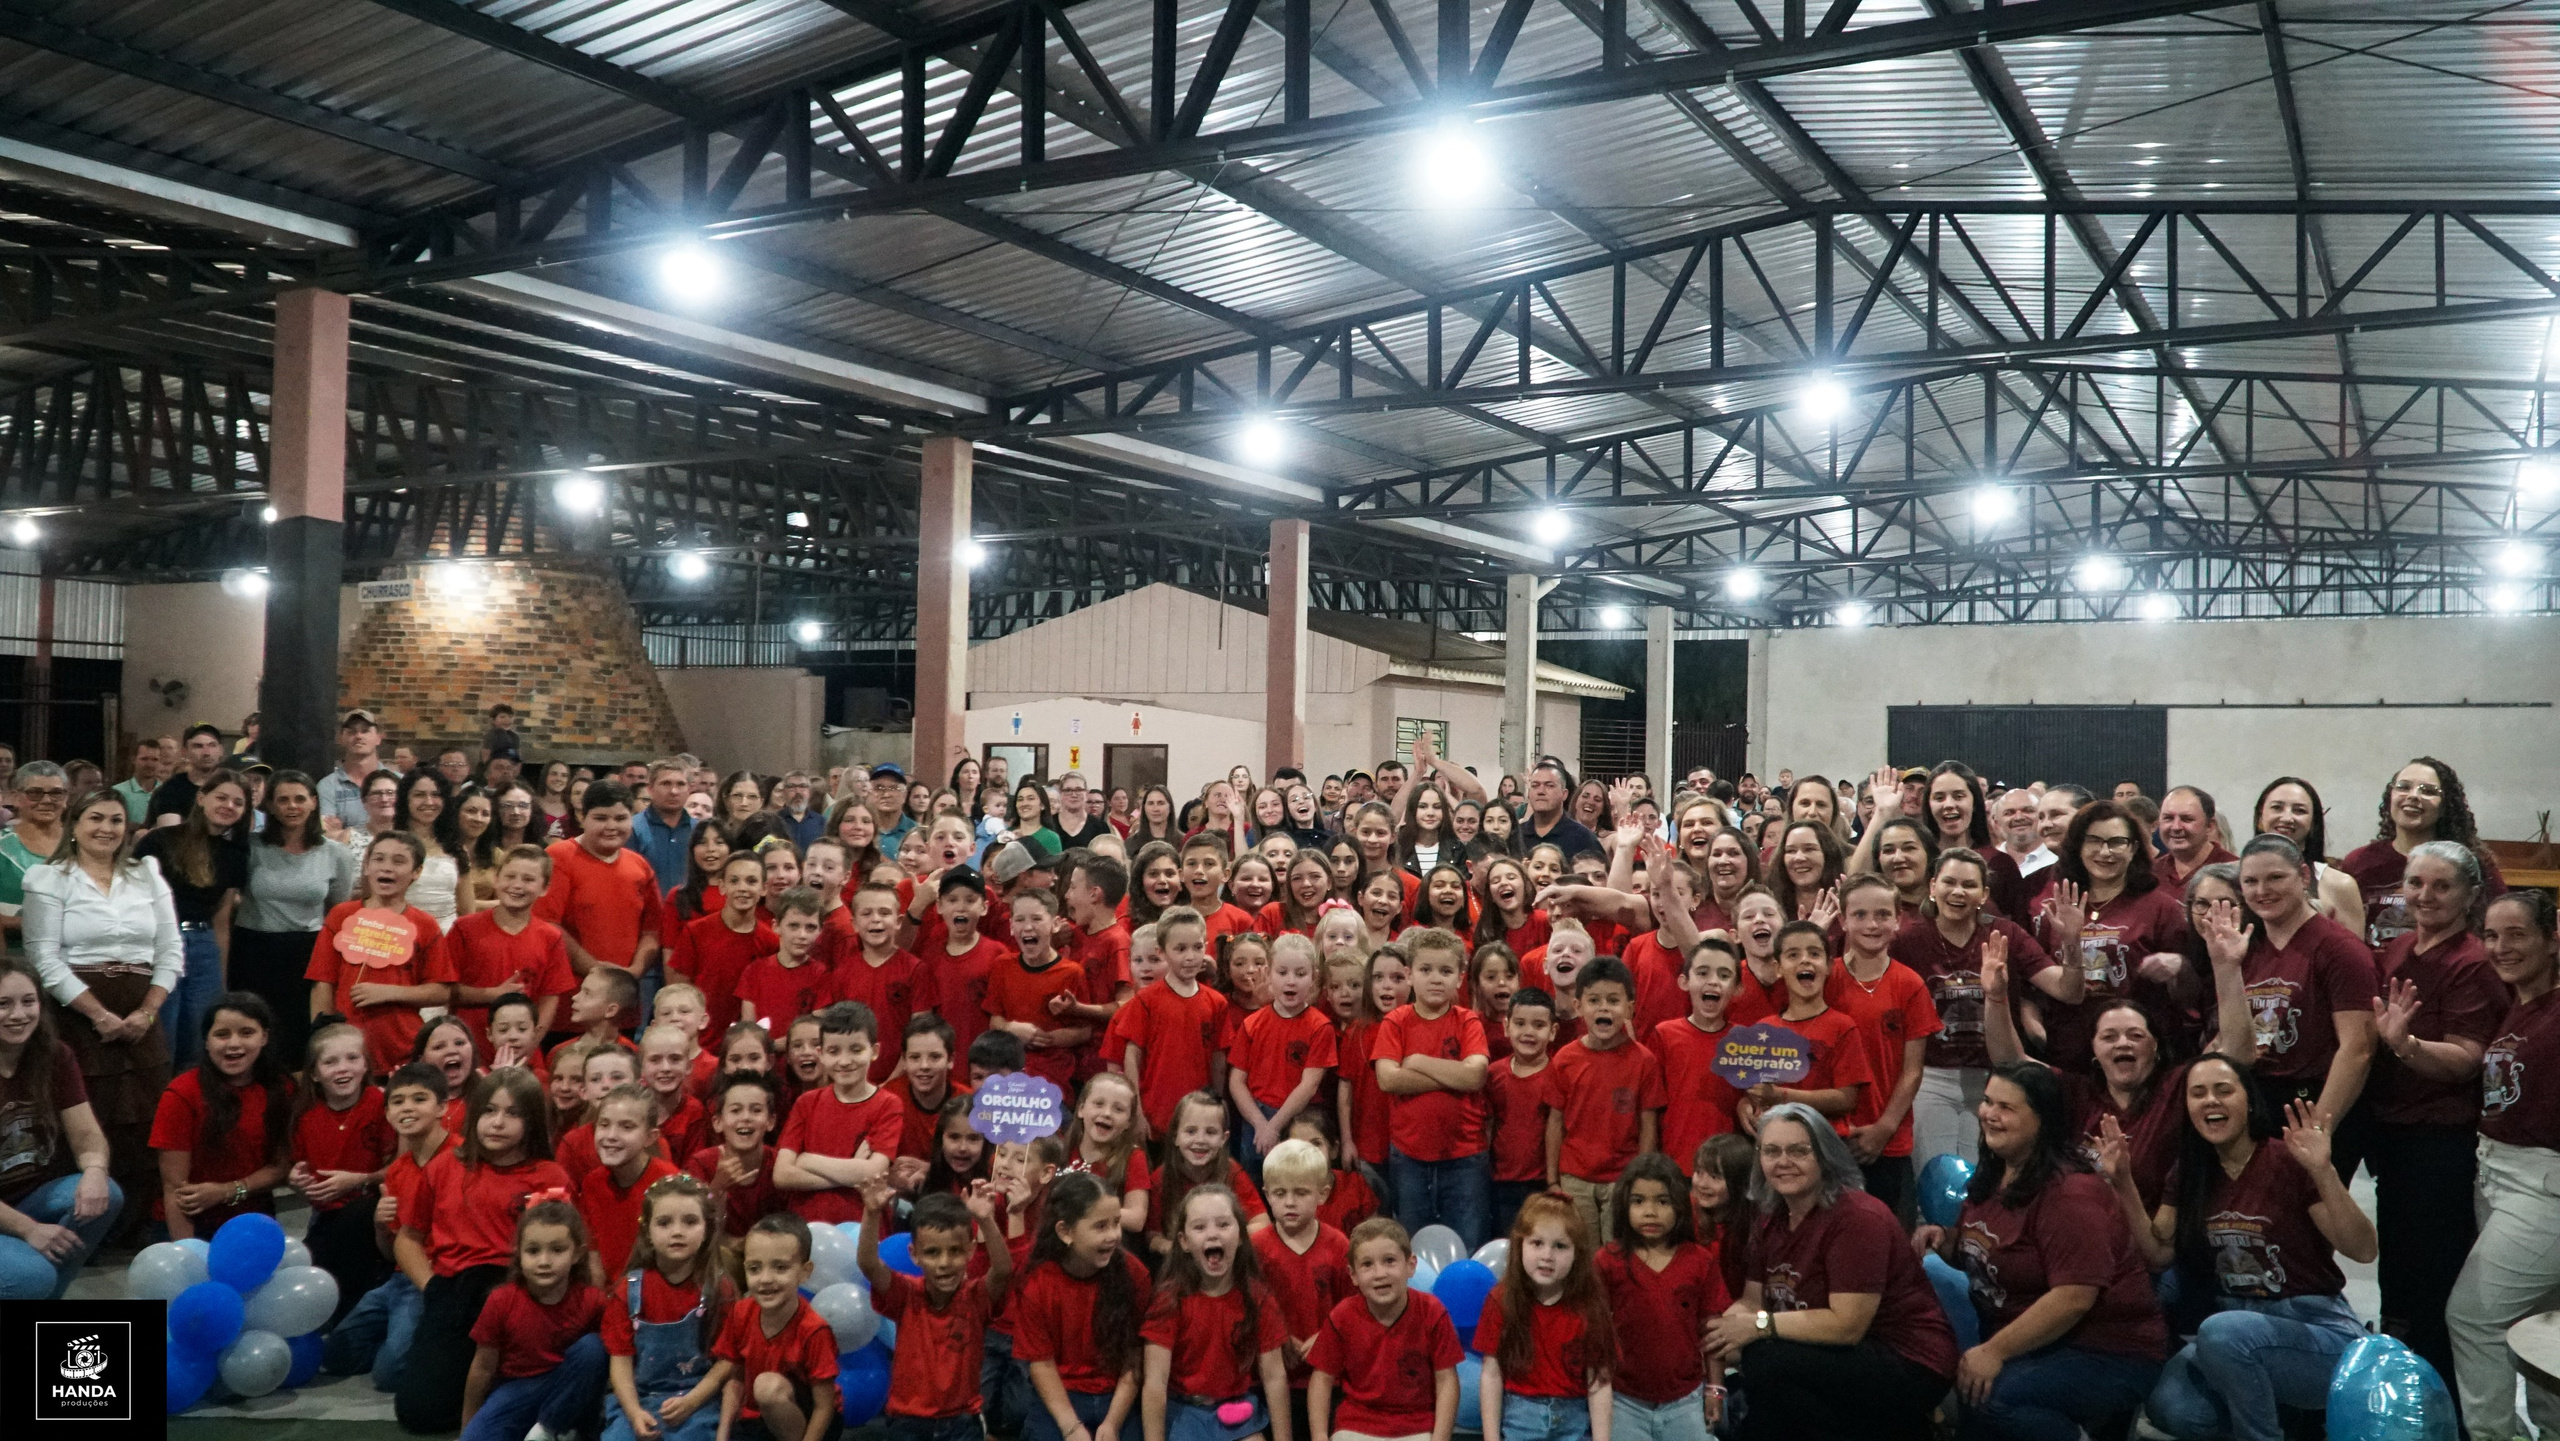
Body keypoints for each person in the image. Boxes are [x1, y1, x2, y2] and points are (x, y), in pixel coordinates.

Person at [2100, 1057, 2376, 1441]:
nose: (2210, 1101)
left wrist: (2323, 1171)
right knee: (2170, 1406)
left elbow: (2363, 1249)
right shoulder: (2191, 1172)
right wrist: (2124, 1183)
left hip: (2316, 1328)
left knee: (2221, 1331)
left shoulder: (2287, 1159)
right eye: (2198, 1094)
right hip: (2238, 1324)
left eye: (2223, 1090)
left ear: (2249, 1101)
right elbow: (2159, 1254)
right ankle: (2287, 1420)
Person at [1912, 1064, 2166, 1441]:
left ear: (2043, 1120)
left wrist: (1994, 1352)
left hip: (2108, 1350)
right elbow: (1991, 1253)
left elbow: (2074, 1297)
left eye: (2006, 1108)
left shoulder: (2071, 1193)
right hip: (2033, 1338)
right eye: (1987, 1102)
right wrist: (1946, 1242)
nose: (1989, 1115)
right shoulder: (1998, 1172)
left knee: (1992, 1397)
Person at [1704, 1104, 1957, 1441]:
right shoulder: (1770, 1217)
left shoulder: (1857, 1218)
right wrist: (1720, 1338)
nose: (1783, 1162)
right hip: (1834, 1353)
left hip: (1907, 1359)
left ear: (1824, 1156)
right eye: (1771, 1151)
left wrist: (1758, 1326)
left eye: (1798, 1150)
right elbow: (1751, 1302)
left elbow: (1846, 1325)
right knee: (1756, 1363)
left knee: (1767, 1361)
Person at [2350, 839, 2504, 1390]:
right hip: (2392, 1138)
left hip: (2439, 1142)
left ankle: (2439, 1403)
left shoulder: (2471, 962)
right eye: (2416, 883)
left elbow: (2468, 1057)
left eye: (2442, 885)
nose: (2425, 895)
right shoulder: (2398, 949)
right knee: (2398, 1272)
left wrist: (2407, 1046)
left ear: (2471, 895)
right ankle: (2397, 1390)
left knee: (2433, 1276)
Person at [24, 786, 179, 1245]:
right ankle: (86, 1232)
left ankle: (135, 1228)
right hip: (78, 1014)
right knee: (87, 1115)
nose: (106, 829)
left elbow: (170, 952)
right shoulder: (48, 879)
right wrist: (100, 1016)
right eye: (95, 818)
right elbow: (44, 960)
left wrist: (147, 1012)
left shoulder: (147, 873)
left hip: (142, 1015)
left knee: (145, 1120)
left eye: (115, 820)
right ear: (74, 824)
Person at [393, 1066, 573, 1434]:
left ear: (532, 1121)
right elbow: (408, 1238)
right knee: (418, 1413)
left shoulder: (548, 1175)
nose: (497, 1123)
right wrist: (432, 1288)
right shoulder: (445, 1166)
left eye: (512, 1114)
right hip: (452, 1289)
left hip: (517, 1291)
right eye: (489, 1111)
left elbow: (557, 1252)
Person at [2447, 889, 2560, 1439]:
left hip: (2543, 1186)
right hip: (2496, 1173)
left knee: (2473, 1317)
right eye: (2491, 935)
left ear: (2552, 937)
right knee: (2542, 1328)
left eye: (2517, 934)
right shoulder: (2518, 1003)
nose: (2500, 947)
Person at [1891, 848, 2071, 1165]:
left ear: (1984, 893)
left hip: (1995, 1076)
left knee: (1984, 1179)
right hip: (1931, 1077)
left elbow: (2066, 990)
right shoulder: (1907, 940)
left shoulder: (2006, 933)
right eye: (1949, 882)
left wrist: (2071, 943)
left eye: (1969, 885)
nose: (1958, 892)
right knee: (1936, 1179)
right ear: (1932, 887)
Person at [2034, 799, 2188, 1075]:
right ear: (2078, 846)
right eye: (2094, 841)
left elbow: (2189, 987)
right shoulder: (2057, 903)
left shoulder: (2160, 908)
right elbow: (2035, 982)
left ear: (2134, 848)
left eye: (2117, 842)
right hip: (2069, 1054)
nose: (2105, 852)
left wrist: (2178, 967)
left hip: (2137, 1058)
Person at [0, 954, 120, 1299]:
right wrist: (28, 1230)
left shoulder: (54, 1055)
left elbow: (87, 1136)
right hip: (13, 1214)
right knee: (33, 1276)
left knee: (105, 1193)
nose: (19, 1015)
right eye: (3, 1004)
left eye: (28, 1001)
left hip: (26, 1197)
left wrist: (95, 1170)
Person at [1140, 1183, 1292, 1441]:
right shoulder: (1170, 1300)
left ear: (1242, 1236)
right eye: (1199, 1227)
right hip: (1184, 1412)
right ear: (1184, 1242)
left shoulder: (1257, 1297)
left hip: (1238, 1410)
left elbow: (1274, 1376)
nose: (1213, 1235)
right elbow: (1155, 1383)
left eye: (1223, 1225)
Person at [1372, 927, 1491, 1250]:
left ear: (1459, 978)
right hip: (1409, 1156)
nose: (1436, 978)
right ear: (1409, 975)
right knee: (1413, 1246)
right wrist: (1453, 1073)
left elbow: (1475, 1077)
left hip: (1465, 1157)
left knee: (1469, 1243)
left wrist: (1417, 1060)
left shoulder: (1468, 1021)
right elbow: (1388, 1079)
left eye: (1446, 971)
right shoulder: (1396, 1021)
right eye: (1426, 970)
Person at [1597, 1153, 1729, 1441]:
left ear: (1680, 1206)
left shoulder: (1700, 1261)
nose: (1650, 1212)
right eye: (1638, 1201)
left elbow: (1712, 1332)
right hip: (1624, 1401)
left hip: (1686, 1400)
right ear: (1624, 1205)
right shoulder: (1608, 1261)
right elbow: (1593, 1330)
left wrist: (1715, 1389)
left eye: (1662, 1201)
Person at [459, 1197, 611, 1441]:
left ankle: (549, 1430)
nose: (544, 1261)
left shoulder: (592, 1300)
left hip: (571, 1388)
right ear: (519, 1254)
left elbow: (610, 1357)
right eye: (533, 1251)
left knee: (593, 1348)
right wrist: (468, 1426)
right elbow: (482, 1368)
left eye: (557, 1250)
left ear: (576, 1254)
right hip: (517, 1389)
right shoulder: (501, 1301)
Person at [1306, 1216, 1465, 1441]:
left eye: (1389, 1261)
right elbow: (1321, 1380)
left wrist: (1440, 1438)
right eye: (1367, 1264)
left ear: (1411, 1265)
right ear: (1353, 1275)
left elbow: (1447, 1381)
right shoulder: (1343, 1315)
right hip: (1357, 1425)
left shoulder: (1432, 1312)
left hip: (1417, 1426)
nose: (1380, 1273)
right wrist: (1319, 1436)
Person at [132, 766, 250, 1066]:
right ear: (201, 798)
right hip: (160, 942)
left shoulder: (235, 854)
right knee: (162, 1034)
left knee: (201, 1038)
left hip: (203, 944)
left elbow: (222, 919)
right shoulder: (160, 841)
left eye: (238, 802)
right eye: (221, 797)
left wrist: (220, 978)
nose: (229, 806)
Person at [1474, 1190, 1615, 1441]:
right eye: (1537, 1243)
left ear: (1577, 1254)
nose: (1547, 1256)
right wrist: (1491, 1437)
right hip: (1519, 1419)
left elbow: (1598, 1383)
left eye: (1560, 1246)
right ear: (1520, 1245)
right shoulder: (1501, 1300)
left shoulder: (1590, 1307)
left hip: (1575, 1419)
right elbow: (1491, 1374)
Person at [2339, 756, 2508, 948]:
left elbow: (2500, 923)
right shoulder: (2358, 861)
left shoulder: (2472, 863)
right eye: (2403, 787)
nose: (2413, 796)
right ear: (2389, 797)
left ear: (2446, 805)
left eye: (2428, 791)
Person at [536, 780, 668, 982]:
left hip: (625, 992)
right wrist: (595, 970)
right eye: (600, 818)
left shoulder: (639, 865)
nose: (611, 826)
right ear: (582, 818)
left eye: (620, 818)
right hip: (570, 989)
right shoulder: (558, 857)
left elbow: (653, 930)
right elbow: (547, 924)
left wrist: (635, 971)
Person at [2250, 777, 2365, 922]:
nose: (2287, 818)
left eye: (2299, 810)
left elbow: (2352, 944)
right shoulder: (2229, 878)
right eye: (2277, 807)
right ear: (2260, 817)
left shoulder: (2339, 885)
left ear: (2313, 823)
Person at [0, 761, 69, 942]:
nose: (46, 800)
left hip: (78, 954)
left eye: (56, 793)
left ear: (66, 798)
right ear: (15, 797)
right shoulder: (2, 847)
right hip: (13, 956)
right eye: (35, 793)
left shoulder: (83, 845)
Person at [630, 758, 698, 901]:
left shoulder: (699, 830)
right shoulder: (632, 828)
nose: (674, 791)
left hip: (690, 916)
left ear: (690, 789)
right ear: (650, 788)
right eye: (666, 784)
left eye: (680, 784)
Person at [2152, 787, 2238, 900]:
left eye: (2187, 819)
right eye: (2168, 818)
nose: (2176, 827)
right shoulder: (2150, 874)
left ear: (2209, 826)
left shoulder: (2234, 872)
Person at [148, 722, 233, 827]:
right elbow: (170, 835)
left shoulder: (234, 786)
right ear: (184, 752)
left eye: (212, 745)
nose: (206, 752)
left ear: (221, 750)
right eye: (198, 746)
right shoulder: (172, 789)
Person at [1519, 758, 1602, 861]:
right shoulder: (1516, 835)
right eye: (1535, 786)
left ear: (1564, 794)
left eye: (1549, 786)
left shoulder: (1584, 838)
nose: (1541, 791)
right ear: (1529, 793)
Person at [318, 710, 387, 834]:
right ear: (341, 738)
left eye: (365, 731)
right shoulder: (328, 786)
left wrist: (344, 833)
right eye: (351, 732)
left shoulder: (398, 782)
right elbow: (327, 834)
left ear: (379, 738)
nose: (358, 736)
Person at [110, 737, 168, 826]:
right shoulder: (117, 792)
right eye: (144, 759)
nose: (150, 764)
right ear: (133, 759)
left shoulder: (167, 792)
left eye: (155, 759)